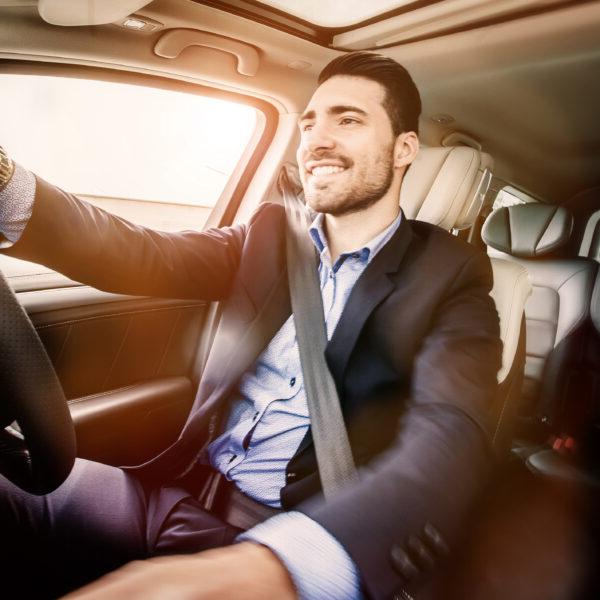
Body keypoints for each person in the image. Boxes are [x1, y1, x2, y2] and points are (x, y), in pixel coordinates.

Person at [0, 52, 502, 599]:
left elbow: (451, 432)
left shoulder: (452, 274)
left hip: (295, 532)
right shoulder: (270, 235)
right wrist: (5, 182)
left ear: (404, 148)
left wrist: (280, 567)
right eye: (309, 123)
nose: (317, 139)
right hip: (176, 493)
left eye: (348, 119)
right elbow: (136, 253)